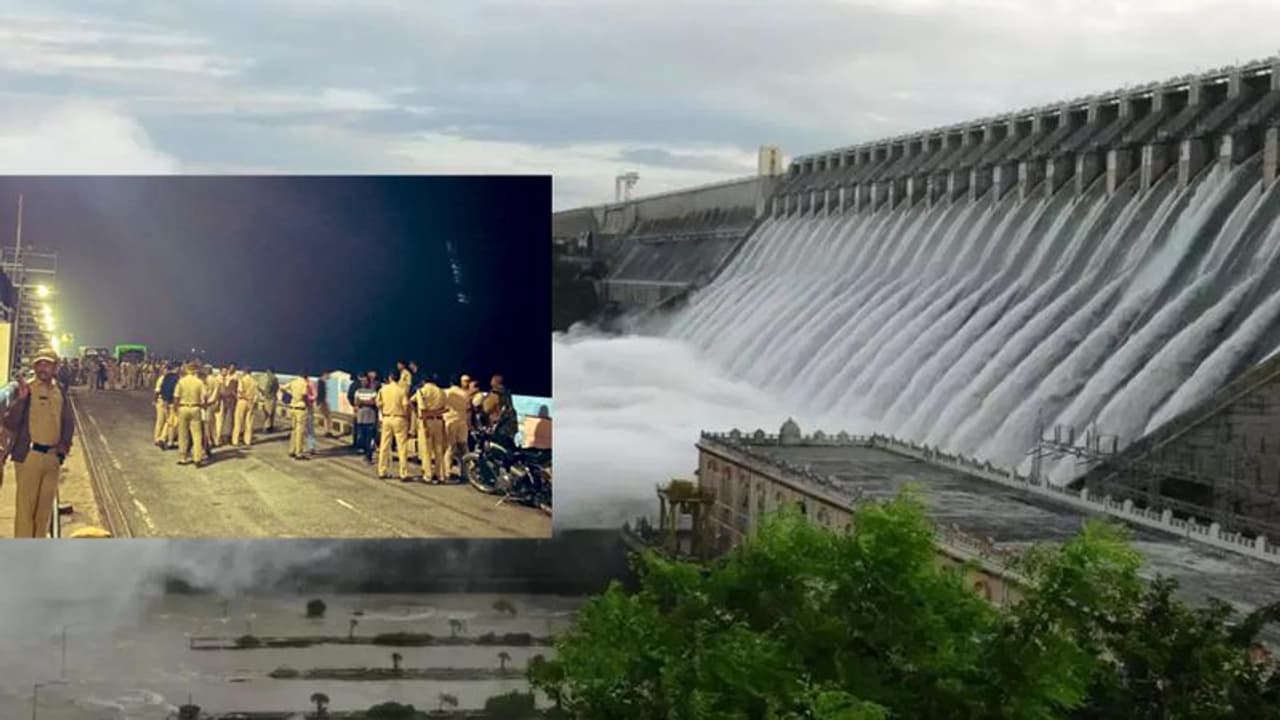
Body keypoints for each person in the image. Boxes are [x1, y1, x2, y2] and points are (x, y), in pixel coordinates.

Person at [3, 347, 75, 537]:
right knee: (26, 512)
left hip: (52, 458)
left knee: (43, 515)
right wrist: (21, 400)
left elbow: (68, 420)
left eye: (47, 364)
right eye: (39, 364)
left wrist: (63, 447)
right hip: (29, 458)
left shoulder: (59, 390)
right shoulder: (25, 388)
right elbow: (10, 422)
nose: (43, 367)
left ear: (55, 367)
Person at [413, 373, 448, 484]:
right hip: (439, 421)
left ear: (423, 381)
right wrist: (435, 412)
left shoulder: (421, 391)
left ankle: (427, 475)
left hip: (426, 422)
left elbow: (422, 410)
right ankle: (440, 475)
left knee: (426, 450)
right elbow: (445, 409)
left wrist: (424, 425)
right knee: (438, 449)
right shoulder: (441, 392)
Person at [376, 373, 410, 480]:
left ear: (390, 377)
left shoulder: (383, 389)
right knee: (402, 447)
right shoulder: (401, 390)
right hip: (399, 418)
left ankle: (382, 471)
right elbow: (405, 406)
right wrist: (406, 418)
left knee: (384, 446)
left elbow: (378, 404)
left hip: (387, 418)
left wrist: (383, 413)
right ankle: (403, 473)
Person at [174, 362, 208, 466]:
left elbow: (176, 396)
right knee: (197, 434)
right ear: (195, 371)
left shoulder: (181, 381)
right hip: (195, 408)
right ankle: (197, 458)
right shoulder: (199, 382)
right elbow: (205, 396)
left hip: (183, 407)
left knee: (183, 434)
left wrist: (176, 409)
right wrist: (204, 406)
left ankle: (183, 457)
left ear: (188, 370)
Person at [442, 374, 473, 481]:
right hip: (462, 421)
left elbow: (443, 407)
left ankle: (447, 471)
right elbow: (468, 409)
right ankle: (466, 472)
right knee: (464, 447)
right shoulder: (465, 394)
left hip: (450, 421)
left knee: (450, 447)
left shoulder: (447, 393)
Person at [483, 373, 518, 450]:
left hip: (499, 427)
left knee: (497, 450)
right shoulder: (507, 393)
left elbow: (486, 409)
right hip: (510, 426)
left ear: (494, 382)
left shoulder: (494, 394)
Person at [282, 373, 310, 460]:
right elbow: (304, 395)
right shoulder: (304, 383)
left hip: (292, 407)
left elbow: (282, 388)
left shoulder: (293, 382)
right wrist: (307, 403)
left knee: (293, 430)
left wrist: (289, 395)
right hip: (301, 408)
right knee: (300, 432)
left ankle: (292, 450)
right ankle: (299, 453)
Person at [352, 376, 379, 463]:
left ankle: (369, 455)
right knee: (362, 437)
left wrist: (362, 402)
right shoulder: (357, 391)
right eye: (362, 381)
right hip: (361, 418)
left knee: (370, 438)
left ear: (368, 382)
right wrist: (367, 402)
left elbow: (373, 402)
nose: (363, 382)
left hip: (370, 418)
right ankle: (365, 453)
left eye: (365, 381)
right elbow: (356, 402)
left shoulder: (373, 392)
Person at [156, 363, 180, 449]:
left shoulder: (166, 377)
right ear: (177, 368)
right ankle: (166, 440)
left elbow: (162, 390)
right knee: (173, 422)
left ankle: (166, 439)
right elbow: (175, 393)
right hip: (172, 403)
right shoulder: (176, 378)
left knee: (169, 422)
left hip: (165, 401)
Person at [232, 366, 259, 446]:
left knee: (238, 421)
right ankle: (247, 440)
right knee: (249, 422)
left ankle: (235, 440)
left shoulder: (242, 380)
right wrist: (252, 401)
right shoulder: (254, 381)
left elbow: (240, 391)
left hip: (242, 401)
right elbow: (257, 395)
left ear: (244, 371)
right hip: (250, 403)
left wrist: (246, 397)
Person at [261, 368, 279, 432]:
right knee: (272, 414)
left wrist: (262, 391)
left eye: (267, 372)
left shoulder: (270, 379)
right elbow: (276, 388)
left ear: (269, 371)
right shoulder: (276, 379)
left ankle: (267, 427)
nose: (267, 373)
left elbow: (268, 390)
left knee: (267, 413)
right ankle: (271, 426)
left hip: (269, 398)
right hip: (273, 398)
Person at [317, 371, 332, 437]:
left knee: (327, 417)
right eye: (328, 375)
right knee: (328, 416)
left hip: (322, 402)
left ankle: (327, 431)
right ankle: (327, 432)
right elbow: (320, 393)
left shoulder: (321, 382)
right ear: (325, 375)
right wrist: (321, 402)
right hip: (323, 402)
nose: (329, 377)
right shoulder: (321, 382)